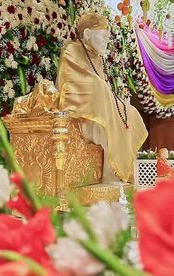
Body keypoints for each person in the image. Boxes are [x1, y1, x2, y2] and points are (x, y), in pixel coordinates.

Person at [56, 13, 148, 183]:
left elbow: (102, 87)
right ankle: (109, 175)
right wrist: (100, 89)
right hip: (80, 112)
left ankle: (121, 172)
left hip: (98, 106)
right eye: (103, 36)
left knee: (131, 112)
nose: (107, 41)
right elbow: (71, 83)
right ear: (88, 34)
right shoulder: (72, 51)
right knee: (99, 92)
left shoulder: (96, 57)